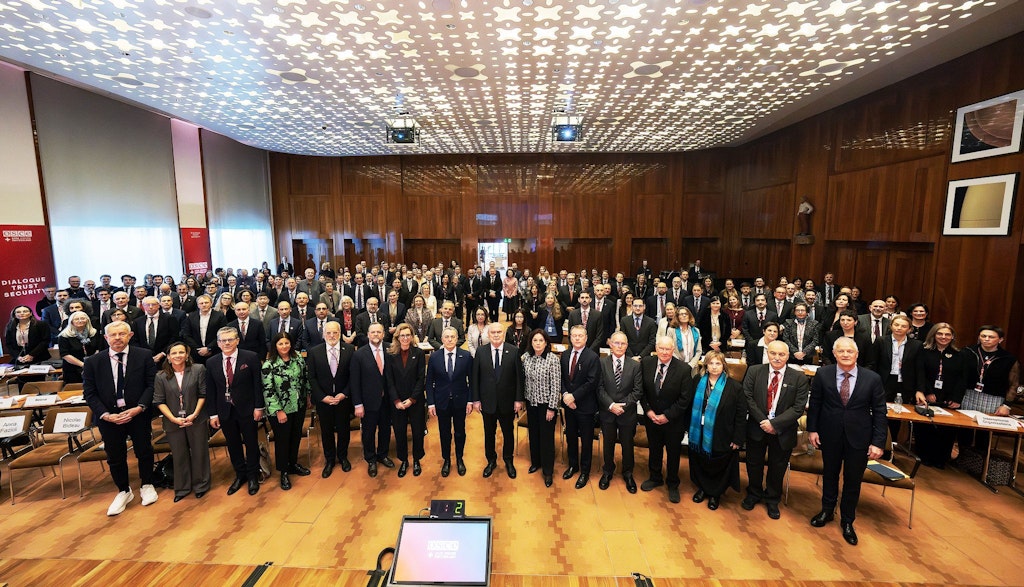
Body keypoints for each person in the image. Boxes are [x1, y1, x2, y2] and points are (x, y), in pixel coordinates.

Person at [807, 336, 887, 546]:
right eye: (841, 351)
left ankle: (848, 520)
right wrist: (812, 429)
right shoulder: (823, 374)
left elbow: (880, 411)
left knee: (852, 480)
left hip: (859, 437)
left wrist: (878, 442)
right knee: (829, 474)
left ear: (857, 354)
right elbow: (815, 403)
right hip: (829, 434)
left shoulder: (872, 378)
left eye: (849, 351)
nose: (845, 355)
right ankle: (827, 511)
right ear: (834, 354)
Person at [82, 321, 160, 515]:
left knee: (144, 450)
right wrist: (106, 415)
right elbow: (89, 393)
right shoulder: (93, 361)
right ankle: (124, 490)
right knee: (115, 456)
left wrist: (139, 408)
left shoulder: (143, 356)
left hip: (137, 414)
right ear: (106, 337)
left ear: (130, 335)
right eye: (113, 335)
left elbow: (151, 386)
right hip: (109, 417)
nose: (117, 338)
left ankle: (147, 484)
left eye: (122, 334)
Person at [742, 340, 810, 519]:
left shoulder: (799, 378)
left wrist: (775, 424)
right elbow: (747, 397)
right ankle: (753, 493)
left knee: (777, 467)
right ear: (767, 354)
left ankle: (772, 499)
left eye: (781, 354)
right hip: (757, 427)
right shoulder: (754, 371)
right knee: (753, 463)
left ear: (788, 356)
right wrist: (764, 421)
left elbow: (798, 408)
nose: (777, 357)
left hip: (783, 431)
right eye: (773, 353)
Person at [206, 326, 266, 496]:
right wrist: (213, 414)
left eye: (230, 339)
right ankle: (241, 474)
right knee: (233, 445)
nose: (227, 343)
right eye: (223, 340)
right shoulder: (211, 362)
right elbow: (210, 391)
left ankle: (253, 475)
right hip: (225, 411)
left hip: (248, 409)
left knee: (251, 443)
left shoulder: (251, 357)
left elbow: (257, 385)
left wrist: (258, 407)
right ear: (218, 343)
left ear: (237, 340)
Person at [687, 351, 746, 511]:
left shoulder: (734, 386)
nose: (714, 367)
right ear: (706, 365)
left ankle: (715, 493)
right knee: (700, 459)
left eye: (718, 363)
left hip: (722, 434)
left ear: (724, 366)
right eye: (711, 363)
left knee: (717, 463)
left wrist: (738, 438)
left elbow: (741, 415)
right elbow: (688, 405)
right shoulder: (697, 381)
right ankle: (702, 488)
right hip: (698, 431)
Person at [153, 342, 211, 502]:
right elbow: (159, 400)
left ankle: (201, 485)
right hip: (173, 421)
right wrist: (173, 418)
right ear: (169, 357)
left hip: (196, 418)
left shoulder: (198, 369)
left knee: (200, 452)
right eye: (174, 353)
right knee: (179, 455)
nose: (178, 355)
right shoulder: (161, 376)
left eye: (181, 352)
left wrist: (194, 414)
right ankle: (182, 487)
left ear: (187, 355)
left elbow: (203, 394)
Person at [640, 336, 694, 504]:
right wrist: (648, 411)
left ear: (673, 350)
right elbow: (641, 390)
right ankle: (655, 477)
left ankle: (672, 483)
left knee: (673, 453)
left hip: (673, 421)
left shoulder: (684, 369)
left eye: (668, 349)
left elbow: (685, 399)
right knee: (654, 449)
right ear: (656, 348)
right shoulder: (646, 363)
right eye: (661, 348)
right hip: (651, 418)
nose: (664, 352)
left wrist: (667, 416)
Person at [471, 321, 524, 479]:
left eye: (498, 332)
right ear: (488, 334)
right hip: (487, 402)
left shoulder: (514, 351)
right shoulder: (480, 352)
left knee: (508, 433)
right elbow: (475, 377)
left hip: (508, 402)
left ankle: (508, 460)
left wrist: (518, 400)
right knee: (489, 433)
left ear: (503, 334)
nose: (495, 335)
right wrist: (476, 399)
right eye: (493, 332)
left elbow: (519, 379)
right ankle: (491, 460)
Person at [262, 331, 311, 491]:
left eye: (287, 343)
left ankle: (292, 464)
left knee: (295, 437)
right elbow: (268, 390)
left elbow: (305, 378)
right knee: (283, 440)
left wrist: (308, 397)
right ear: (275, 346)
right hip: (281, 410)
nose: (284, 346)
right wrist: (278, 411)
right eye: (281, 343)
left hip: (299, 405)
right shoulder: (269, 364)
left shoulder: (298, 359)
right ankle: (283, 471)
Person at [959, 325, 1020, 453]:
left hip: (992, 398)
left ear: (1000, 340)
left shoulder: (1008, 358)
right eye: (983, 336)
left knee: (984, 432)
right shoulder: (968, 351)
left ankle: (980, 461)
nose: (986, 339)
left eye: (991, 337)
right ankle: (963, 458)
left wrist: (1007, 405)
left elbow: (1013, 384)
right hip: (968, 395)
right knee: (964, 430)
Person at [306, 321, 356, 477]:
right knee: (326, 430)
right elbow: (312, 378)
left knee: (343, 429)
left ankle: (343, 456)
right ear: (323, 334)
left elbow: (352, 376)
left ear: (340, 333)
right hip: (324, 400)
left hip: (343, 398)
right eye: (329, 333)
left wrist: (344, 394)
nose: (332, 335)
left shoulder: (349, 350)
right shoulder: (314, 352)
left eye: (335, 332)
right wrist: (322, 397)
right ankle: (329, 460)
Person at [597, 331, 643, 493]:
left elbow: (638, 391)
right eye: (616, 343)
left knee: (627, 445)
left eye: (623, 343)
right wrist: (611, 405)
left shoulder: (635, 365)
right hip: (607, 412)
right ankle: (608, 471)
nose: (619, 346)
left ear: (627, 345)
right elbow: (599, 388)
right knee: (608, 443)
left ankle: (628, 473)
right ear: (610, 344)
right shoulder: (601, 363)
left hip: (627, 413)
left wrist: (623, 406)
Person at [914, 323, 965, 468]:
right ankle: (924, 457)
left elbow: (962, 378)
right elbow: (920, 372)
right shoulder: (924, 351)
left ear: (952, 337)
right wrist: (927, 391)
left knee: (947, 430)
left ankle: (940, 459)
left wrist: (956, 398)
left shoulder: (960, 354)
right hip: (927, 395)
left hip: (949, 398)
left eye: (947, 334)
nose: (943, 337)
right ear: (933, 335)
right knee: (925, 427)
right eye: (940, 334)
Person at [426, 326, 474, 477]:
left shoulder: (466, 356)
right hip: (441, 402)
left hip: (460, 402)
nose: (449, 339)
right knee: (444, 433)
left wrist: (470, 400)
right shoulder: (434, 357)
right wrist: (431, 403)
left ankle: (459, 459)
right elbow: (429, 382)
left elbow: (472, 381)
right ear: (442, 339)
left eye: (453, 337)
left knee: (460, 432)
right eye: (446, 337)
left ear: (457, 339)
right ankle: (446, 460)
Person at [351, 322, 394, 477]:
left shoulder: (391, 349)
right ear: (368, 334)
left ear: (383, 334)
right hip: (368, 402)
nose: (376, 335)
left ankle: (383, 454)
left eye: (379, 332)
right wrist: (357, 404)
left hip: (387, 400)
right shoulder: (359, 354)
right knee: (368, 432)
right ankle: (371, 459)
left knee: (385, 430)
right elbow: (354, 382)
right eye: (373, 332)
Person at [560, 325, 600, 489]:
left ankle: (585, 471)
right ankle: (573, 465)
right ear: (570, 337)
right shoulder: (565, 354)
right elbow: (561, 377)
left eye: (580, 336)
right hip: (569, 406)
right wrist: (565, 396)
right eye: (574, 336)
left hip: (585, 406)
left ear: (586, 338)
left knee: (586, 440)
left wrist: (573, 396)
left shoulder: (593, 357)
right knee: (570, 436)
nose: (577, 338)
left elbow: (591, 382)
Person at [386, 323, 427, 477]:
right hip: (397, 402)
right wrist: (396, 400)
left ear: (412, 336)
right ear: (397, 337)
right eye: (402, 335)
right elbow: (389, 380)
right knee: (400, 432)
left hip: (415, 401)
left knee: (417, 432)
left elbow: (421, 378)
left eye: (408, 335)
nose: (405, 338)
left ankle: (417, 459)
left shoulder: (419, 353)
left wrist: (412, 399)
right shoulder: (390, 355)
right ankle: (403, 460)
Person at [520, 329, 561, 488]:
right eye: (535, 340)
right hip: (531, 403)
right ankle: (535, 462)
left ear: (546, 342)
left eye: (540, 341)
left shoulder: (552, 360)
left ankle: (548, 471)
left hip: (546, 406)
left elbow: (556, 385)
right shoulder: (527, 358)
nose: (537, 343)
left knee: (546, 438)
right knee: (534, 434)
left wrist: (552, 408)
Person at [58, 310, 106, 384]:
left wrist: (91, 363)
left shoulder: (94, 333)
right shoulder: (64, 335)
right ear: (71, 321)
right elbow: (65, 354)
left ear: (87, 320)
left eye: (83, 318)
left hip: (93, 367)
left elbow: (98, 349)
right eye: (77, 319)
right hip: (72, 369)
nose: (80, 321)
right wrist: (84, 365)